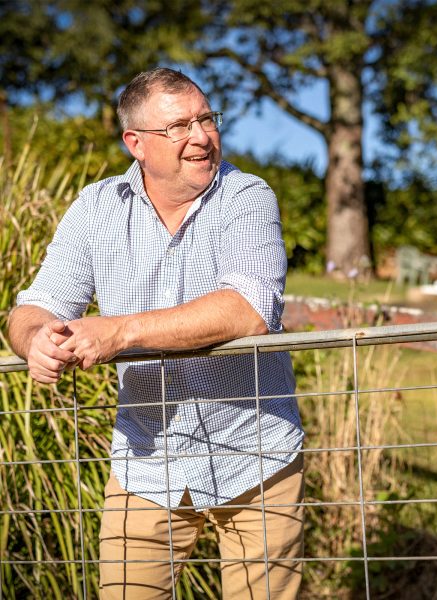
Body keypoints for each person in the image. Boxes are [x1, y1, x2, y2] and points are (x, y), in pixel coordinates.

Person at [8, 67, 304, 599]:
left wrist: (119, 334)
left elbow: (248, 309)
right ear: (136, 143)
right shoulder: (96, 209)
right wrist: (35, 338)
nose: (200, 136)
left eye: (206, 119)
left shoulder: (246, 197)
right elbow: (38, 303)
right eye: (179, 126)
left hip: (256, 457)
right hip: (146, 461)